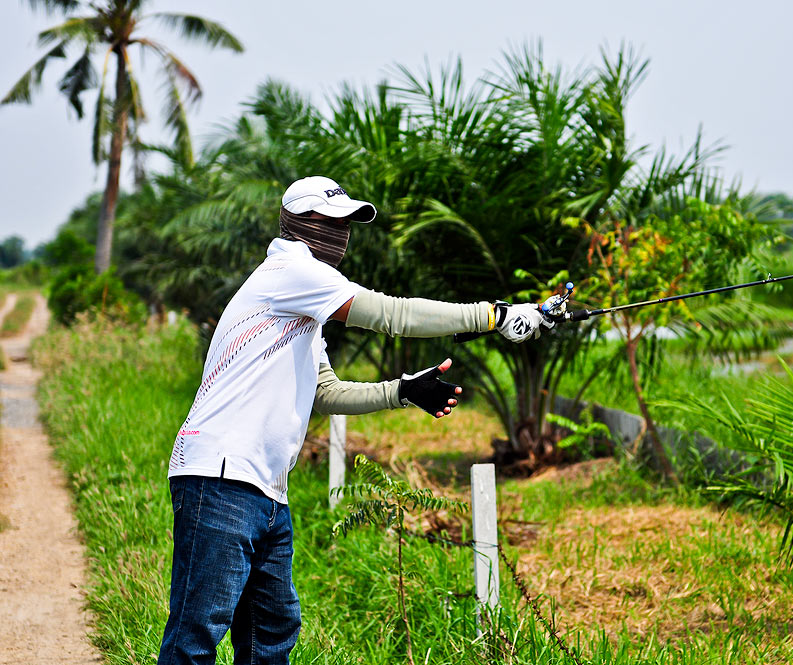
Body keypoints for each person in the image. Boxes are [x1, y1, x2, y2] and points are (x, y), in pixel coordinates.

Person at [157, 176, 550, 664]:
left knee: (272, 629)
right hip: (220, 476)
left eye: (348, 223)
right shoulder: (292, 270)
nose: (343, 234)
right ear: (303, 223)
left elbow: (326, 391)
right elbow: (393, 314)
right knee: (197, 633)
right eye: (334, 221)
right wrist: (494, 315)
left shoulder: (305, 306)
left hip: (264, 488)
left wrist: (404, 390)